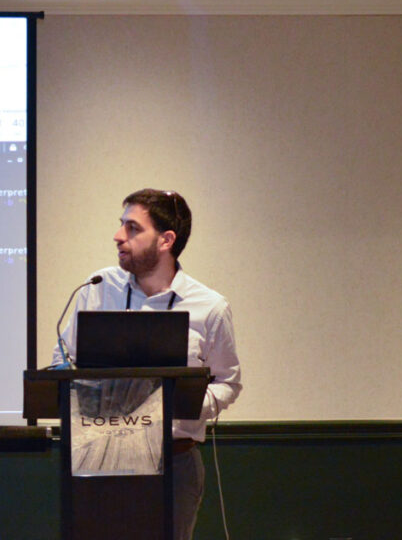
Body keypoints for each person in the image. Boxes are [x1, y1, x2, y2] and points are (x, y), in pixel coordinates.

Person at [52, 188, 242, 540]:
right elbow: (62, 361)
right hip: (100, 457)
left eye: (133, 228)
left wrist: (180, 405)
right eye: (121, 224)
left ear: (166, 240)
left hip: (175, 461)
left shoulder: (210, 307)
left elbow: (227, 383)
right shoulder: (97, 288)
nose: (118, 236)